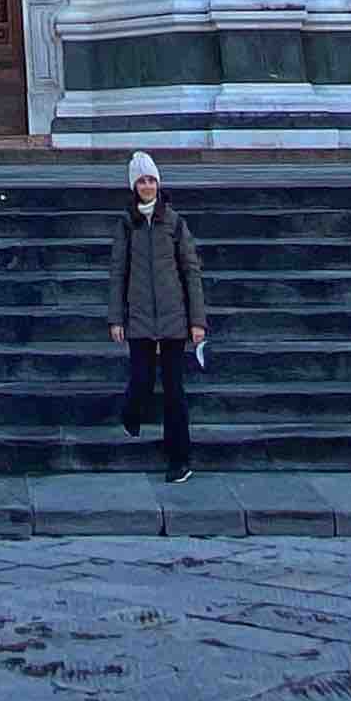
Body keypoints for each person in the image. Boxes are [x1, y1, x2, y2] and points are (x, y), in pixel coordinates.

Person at [108, 151, 208, 486]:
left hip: (173, 321)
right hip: (138, 320)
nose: (147, 186)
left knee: (174, 393)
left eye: (151, 180)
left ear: (158, 184)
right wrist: (116, 318)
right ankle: (131, 415)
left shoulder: (175, 223)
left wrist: (198, 321)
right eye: (141, 181)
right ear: (133, 186)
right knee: (140, 380)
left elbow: (191, 271)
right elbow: (118, 273)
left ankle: (179, 459)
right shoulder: (126, 224)